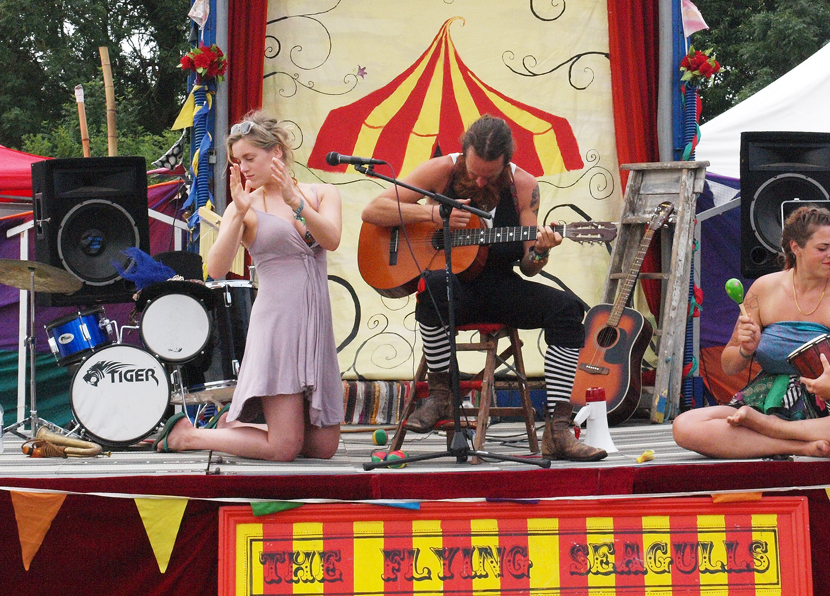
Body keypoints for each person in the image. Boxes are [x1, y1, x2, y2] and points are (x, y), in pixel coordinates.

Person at [361, 114, 606, 461]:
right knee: (432, 284)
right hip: (452, 288)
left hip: (500, 288)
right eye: (473, 170)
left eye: (488, 175)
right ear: (464, 153)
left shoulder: (524, 186)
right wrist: (433, 215)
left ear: (506, 163)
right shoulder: (442, 170)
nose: (478, 180)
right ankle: (441, 396)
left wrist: (541, 250)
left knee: (567, 309)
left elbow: (529, 266)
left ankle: (558, 429)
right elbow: (373, 210)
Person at [155, 111, 344, 461]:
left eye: (249, 158)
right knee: (284, 448)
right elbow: (216, 268)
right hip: (277, 328)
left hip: (315, 326)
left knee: (323, 448)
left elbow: (330, 239)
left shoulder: (322, 193)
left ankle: (230, 427)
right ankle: (189, 435)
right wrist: (238, 214)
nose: (243, 168)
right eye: (237, 161)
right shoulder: (246, 205)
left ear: (276, 152)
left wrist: (295, 201)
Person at [672, 205, 830, 459]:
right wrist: (745, 350)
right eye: (823, 248)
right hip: (770, 400)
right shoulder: (763, 288)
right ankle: (798, 446)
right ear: (796, 247)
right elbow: (729, 366)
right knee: (685, 426)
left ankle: (775, 429)